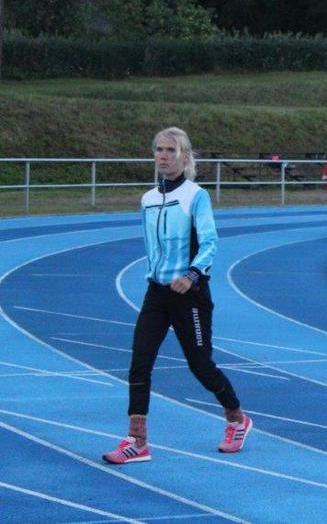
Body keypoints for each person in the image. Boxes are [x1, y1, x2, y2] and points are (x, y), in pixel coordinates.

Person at [103, 127, 250, 464]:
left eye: (171, 150)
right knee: (139, 364)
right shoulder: (148, 199)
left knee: (200, 365)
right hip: (156, 294)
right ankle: (137, 441)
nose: (164, 156)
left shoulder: (196, 196)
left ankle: (236, 419)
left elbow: (210, 242)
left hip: (190, 293)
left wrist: (192, 275)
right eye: (159, 149)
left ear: (185, 156)